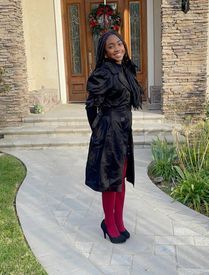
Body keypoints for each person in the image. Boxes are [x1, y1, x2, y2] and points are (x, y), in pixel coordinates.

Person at [85, 31, 143, 244]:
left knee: (121, 178)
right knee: (111, 181)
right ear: (105, 52)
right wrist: (98, 130)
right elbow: (91, 105)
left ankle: (118, 220)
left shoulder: (125, 69)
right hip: (109, 132)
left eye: (119, 43)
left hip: (123, 131)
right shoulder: (103, 73)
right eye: (111, 46)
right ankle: (109, 223)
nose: (117, 48)